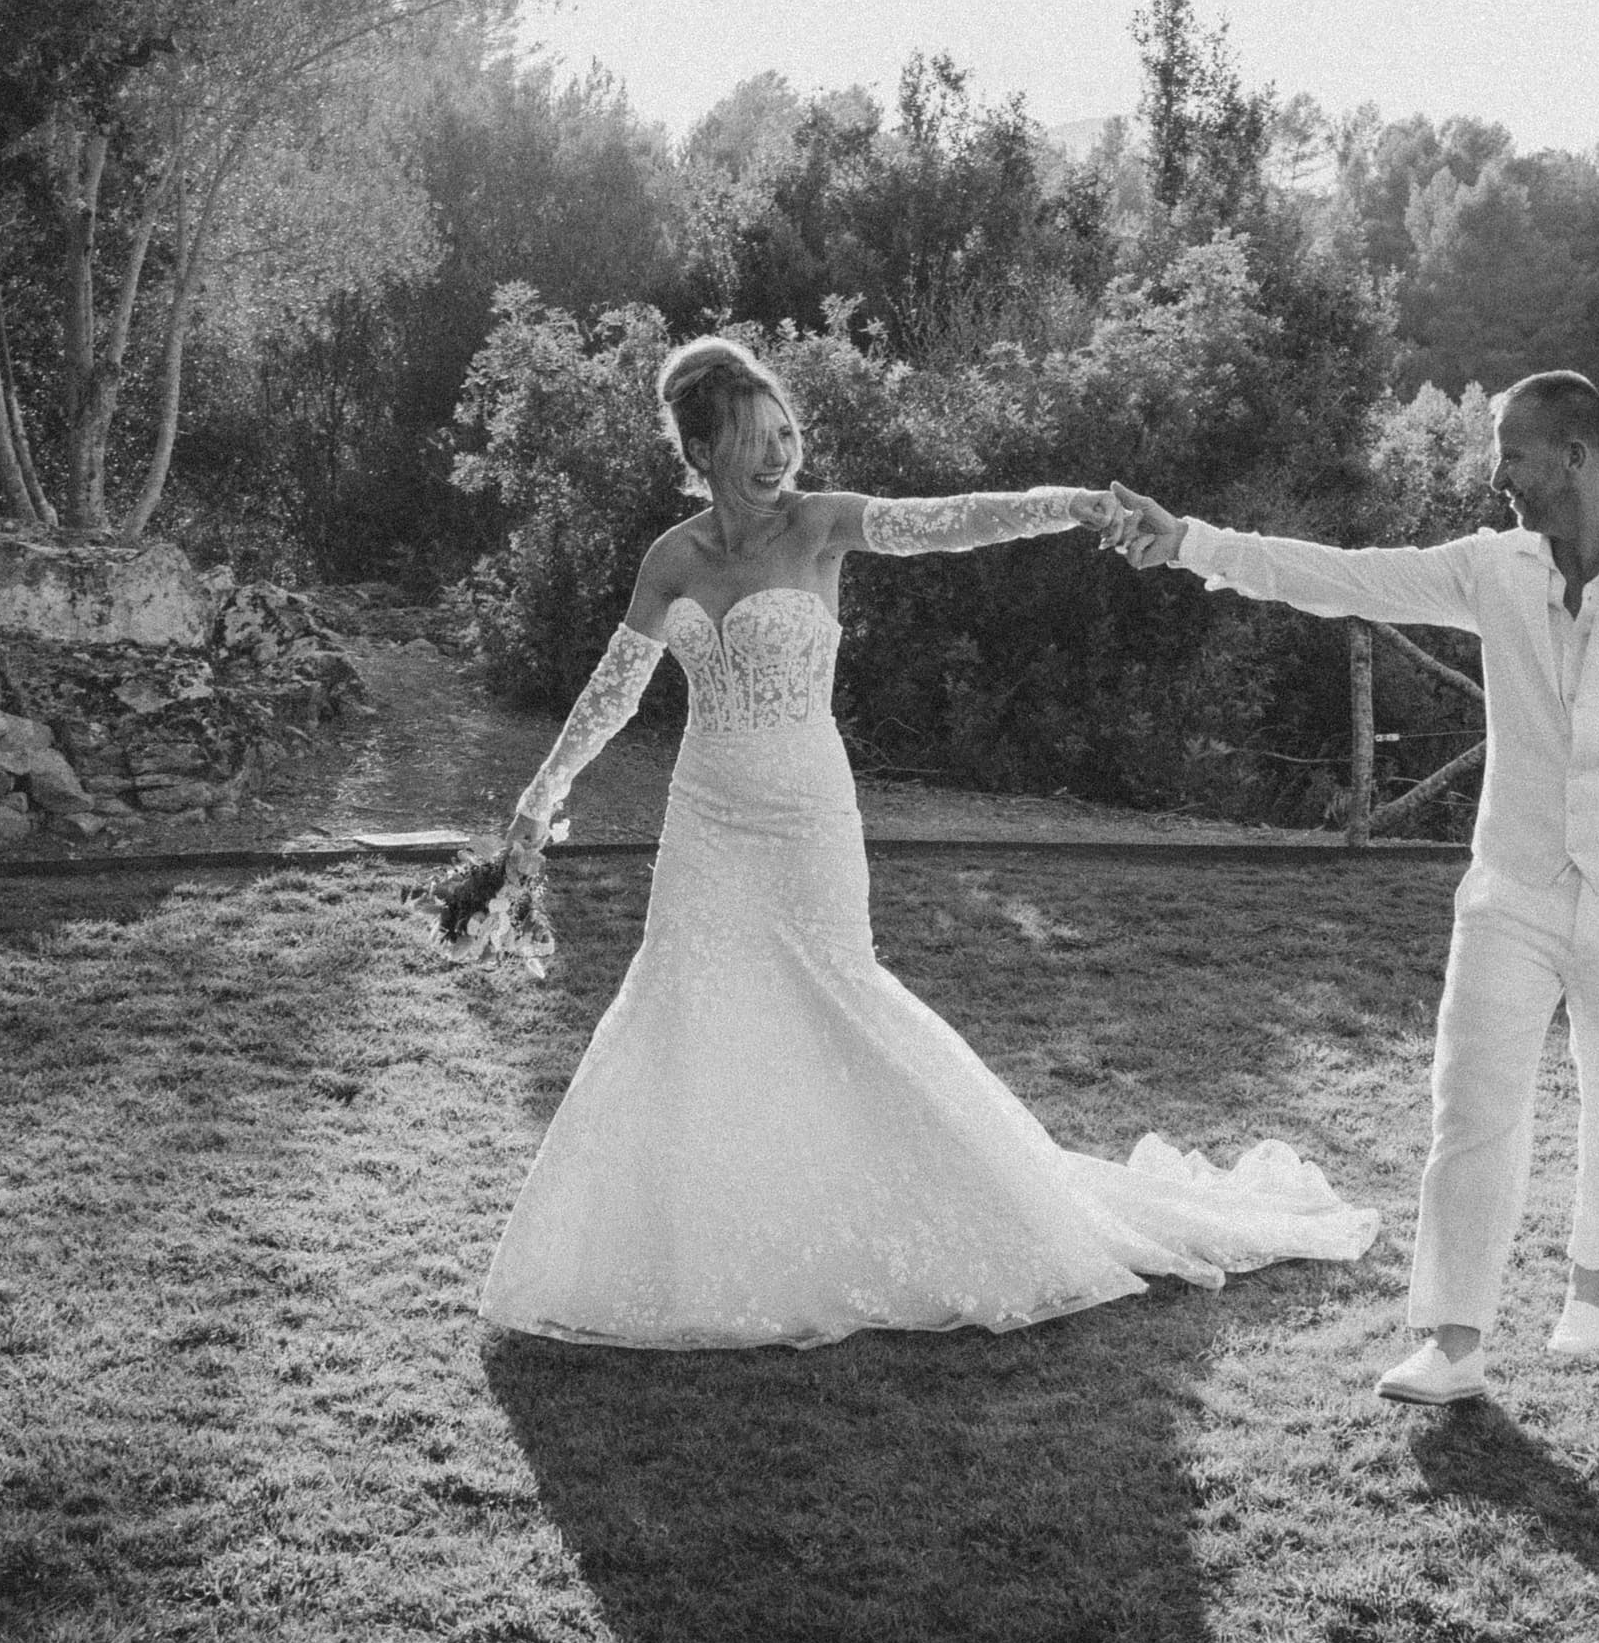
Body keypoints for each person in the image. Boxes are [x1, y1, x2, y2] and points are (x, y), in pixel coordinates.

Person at [476, 336, 1377, 1349]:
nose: (779, 455)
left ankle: (962, 1205)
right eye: (752, 439)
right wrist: (538, 795)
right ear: (701, 449)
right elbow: (615, 687)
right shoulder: (673, 559)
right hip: (706, 815)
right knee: (682, 995)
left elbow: (948, 525)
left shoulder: (820, 527)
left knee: (842, 996)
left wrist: (1069, 501)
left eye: (787, 433)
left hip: (808, 814)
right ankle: (689, 1242)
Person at [1101, 372, 1599, 1404]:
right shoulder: (1489, 566)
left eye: (1511, 453)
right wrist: (1192, 540)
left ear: (1577, 457)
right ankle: (1454, 1338)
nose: (1495, 475)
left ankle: (1596, 1274)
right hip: (1512, 884)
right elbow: (1345, 576)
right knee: (1470, 1102)